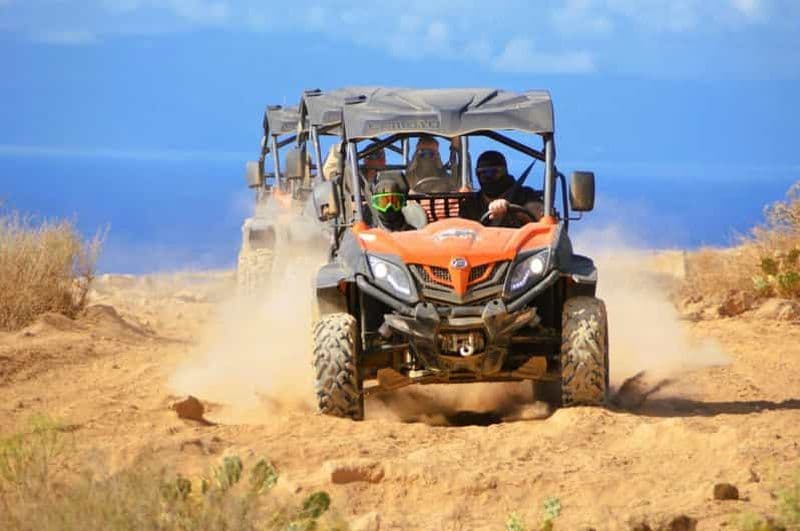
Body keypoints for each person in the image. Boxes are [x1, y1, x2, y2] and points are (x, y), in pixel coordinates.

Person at [465, 150, 544, 225]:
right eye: (483, 173)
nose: (488, 177)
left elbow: (539, 214)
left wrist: (512, 210)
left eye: (493, 172)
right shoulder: (473, 202)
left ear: (504, 172)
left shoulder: (524, 194)